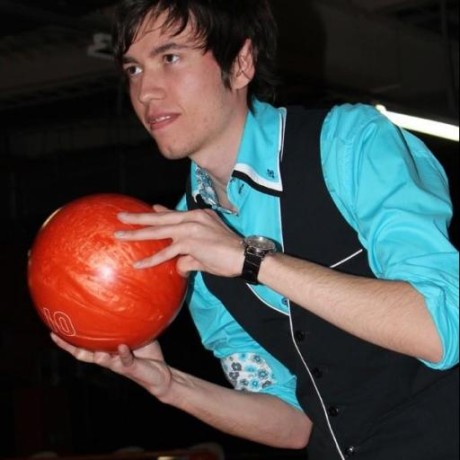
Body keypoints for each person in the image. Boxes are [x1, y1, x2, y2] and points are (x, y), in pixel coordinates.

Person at [52, 0, 459, 458]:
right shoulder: (184, 240)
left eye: (170, 58)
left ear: (242, 63)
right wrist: (170, 385)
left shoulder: (350, 144)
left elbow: (441, 328)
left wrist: (251, 259)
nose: (146, 91)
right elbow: (293, 422)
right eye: (134, 69)